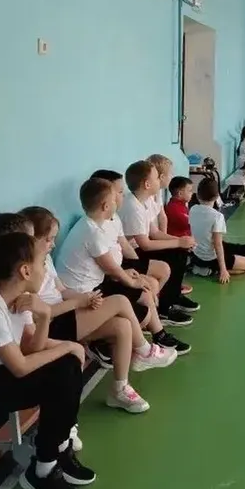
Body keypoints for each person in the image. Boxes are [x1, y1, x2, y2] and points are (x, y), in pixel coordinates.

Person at [0, 231, 92, 489]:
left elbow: (33, 349)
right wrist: (67, 346)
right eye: (43, 262)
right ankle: (44, 469)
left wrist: (44, 315)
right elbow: (21, 367)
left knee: (65, 368)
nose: (46, 269)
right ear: (25, 270)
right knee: (63, 368)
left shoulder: (20, 299)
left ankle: (56, 451)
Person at [20, 206, 168, 413]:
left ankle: (119, 389)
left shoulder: (45, 260)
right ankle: (144, 350)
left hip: (66, 314)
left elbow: (62, 290)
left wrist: (86, 298)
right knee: (119, 301)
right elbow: (40, 314)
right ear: (30, 240)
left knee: (122, 326)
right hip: (50, 327)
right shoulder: (24, 272)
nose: (53, 244)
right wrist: (77, 303)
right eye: (48, 239)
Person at [58, 177, 188, 356]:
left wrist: (131, 275)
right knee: (141, 310)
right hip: (85, 293)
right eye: (115, 197)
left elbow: (111, 266)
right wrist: (133, 281)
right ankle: (108, 342)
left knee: (144, 294)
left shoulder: (95, 224)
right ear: (105, 206)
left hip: (97, 284)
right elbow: (112, 269)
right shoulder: (92, 232)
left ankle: (158, 335)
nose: (120, 199)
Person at [119, 160, 199, 324]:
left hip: (136, 249)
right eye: (156, 177)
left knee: (180, 251)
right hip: (128, 255)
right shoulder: (133, 207)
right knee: (175, 255)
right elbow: (146, 244)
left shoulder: (143, 201)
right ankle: (164, 308)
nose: (159, 180)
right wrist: (178, 243)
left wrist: (182, 241)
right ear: (147, 184)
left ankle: (172, 298)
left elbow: (154, 233)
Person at [189, 178, 245, 283]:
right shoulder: (217, 216)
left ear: (198, 195)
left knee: (232, 247)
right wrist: (223, 269)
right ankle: (213, 270)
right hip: (210, 259)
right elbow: (218, 245)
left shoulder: (193, 209)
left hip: (197, 255)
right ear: (217, 196)